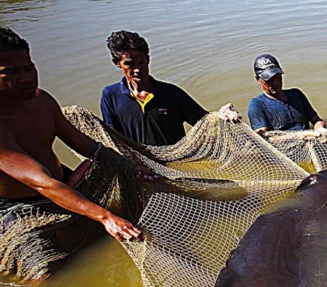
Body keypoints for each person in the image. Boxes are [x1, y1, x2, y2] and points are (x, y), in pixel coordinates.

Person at [0, 26, 153, 242]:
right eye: (10, 73)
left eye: (29, 68)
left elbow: (87, 146)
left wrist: (129, 165)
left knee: (125, 218)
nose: (26, 79)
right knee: (43, 272)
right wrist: (105, 216)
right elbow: (41, 182)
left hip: (64, 181)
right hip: (21, 205)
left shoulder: (42, 100)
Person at [100, 30, 208, 146]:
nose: (137, 70)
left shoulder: (171, 93)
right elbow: (112, 137)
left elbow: (205, 121)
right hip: (137, 163)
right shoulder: (110, 96)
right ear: (117, 63)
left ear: (148, 59)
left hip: (177, 160)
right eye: (130, 64)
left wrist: (223, 115)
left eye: (141, 62)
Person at [247, 54, 327, 137]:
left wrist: (320, 128)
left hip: (310, 141)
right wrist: (301, 135)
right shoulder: (257, 105)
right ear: (258, 80)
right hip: (283, 148)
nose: (276, 82)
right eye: (269, 79)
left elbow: (316, 120)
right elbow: (262, 137)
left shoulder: (296, 94)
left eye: (278, 77)